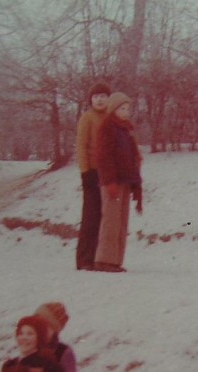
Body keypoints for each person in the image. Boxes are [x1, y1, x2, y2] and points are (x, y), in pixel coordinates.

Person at [93, 92, 143, 273]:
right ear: (113, 109)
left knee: (121, 221)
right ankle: (104, 259)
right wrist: (109, 181)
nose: (126, 112)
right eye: (122, 108)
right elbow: (103, 156)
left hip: (125, 180)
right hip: (112, 182)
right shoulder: (107, 128)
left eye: (128, 108)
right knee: (111, 221)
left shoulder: (125, 129)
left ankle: (115, 260)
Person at [75, 81, 112, 271]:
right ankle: (84, 259)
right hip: (91, 172)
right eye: (96, 97)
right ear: (91, 99)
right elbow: (81, 146)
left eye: (103, 97)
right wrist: (85, 171)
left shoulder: (110, 118)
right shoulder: (87, 118)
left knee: (104, 217)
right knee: (90, 215)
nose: (100, 100)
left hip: (107, 173)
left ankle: (99, 257)